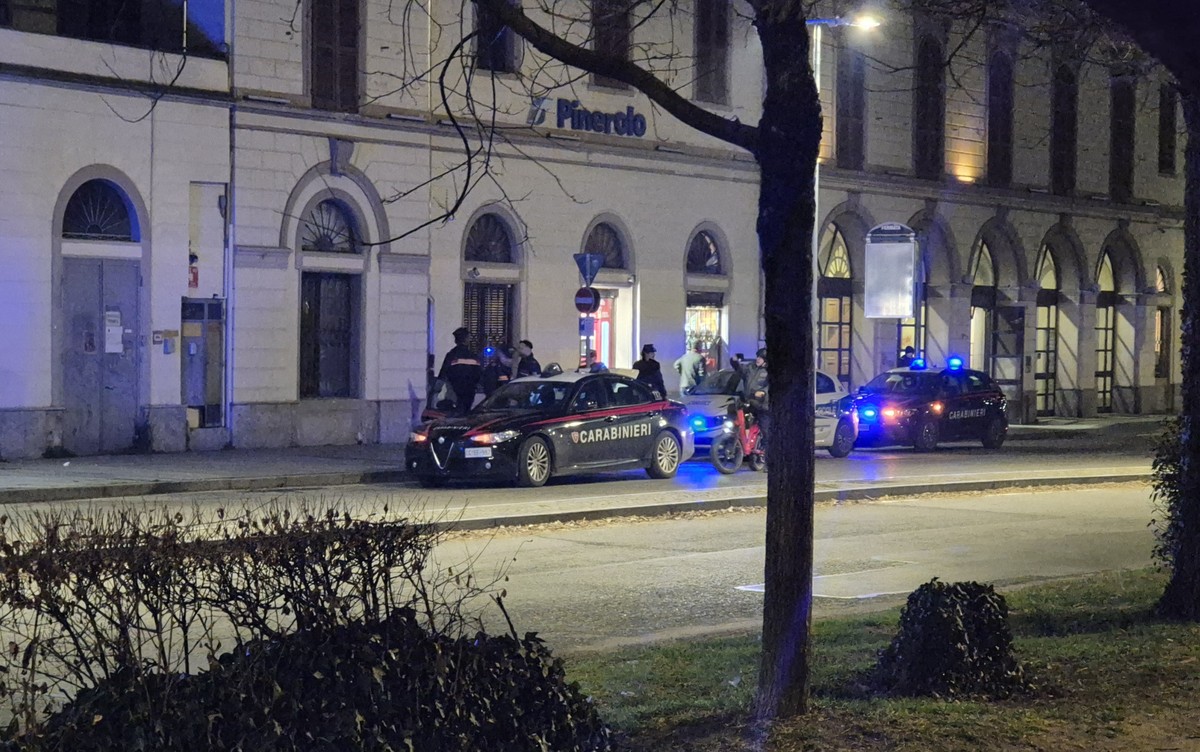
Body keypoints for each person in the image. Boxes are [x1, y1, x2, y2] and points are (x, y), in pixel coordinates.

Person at [732, 347, 769, 451]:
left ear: (765, 360)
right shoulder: (751, 367)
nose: (758, 359)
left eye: (760, 358)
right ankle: (741, 442)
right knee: (738, 420)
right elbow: (740, 369)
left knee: (765, 426)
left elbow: (771, 385)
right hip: (749, 401)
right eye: (757, 357)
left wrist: (763, 392)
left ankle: (767, 450)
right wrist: (734, 361)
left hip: (762, 404)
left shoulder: (769, 371)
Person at [438, 327, 482, 414]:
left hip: (455, 391)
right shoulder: (472, 355)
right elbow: (478, 373)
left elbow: (444, 373)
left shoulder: (451, 354)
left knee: (457, 412)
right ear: (466, 339)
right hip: (469, 390)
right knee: (466, 411)